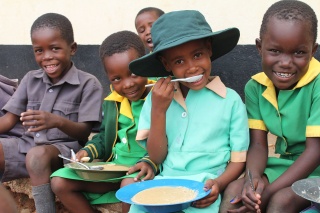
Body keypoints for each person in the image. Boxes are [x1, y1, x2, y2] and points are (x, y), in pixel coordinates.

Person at [128, 10, 249, 212]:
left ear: (209, 50)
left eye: (197, 55)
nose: (192, 68)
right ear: (166, 65)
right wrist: (158, 110)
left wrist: (219, 184)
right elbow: (156, 157)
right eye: (179, 61)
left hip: (205, 190)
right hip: (164, 186)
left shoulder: (231, 101)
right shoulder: (156, 99)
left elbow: (239, 161)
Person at [219, 1, 320, 213]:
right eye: (274, 50)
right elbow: (258, 145)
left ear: (313, 51)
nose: (285, 62)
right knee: (234, 194)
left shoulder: (318, 85)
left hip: (316, 168)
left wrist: (268, 192)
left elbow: (315, 151)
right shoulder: (255, 87)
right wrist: (251, 180)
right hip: (285, 164)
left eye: (299, 53)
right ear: (259, 47)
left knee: (280, 202)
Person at [0, 13, 103, 213]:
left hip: (63, 152)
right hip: (25, 146)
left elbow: (84, 133)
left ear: (72, 48)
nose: (47, 57)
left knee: (37, 156)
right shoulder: (31, 79)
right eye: (39, 51)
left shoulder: (88, 83)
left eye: (55, 48)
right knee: (31, 153)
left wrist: (56, 121)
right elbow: (8, 120)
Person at [51, 30, 157, 213]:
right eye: (117, 79)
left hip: (146, 169)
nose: (127, 84)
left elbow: (170, 137)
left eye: (133, 74)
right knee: (59, 182)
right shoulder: (112, 101)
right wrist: (86, 152)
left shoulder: (159, 96)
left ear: (145, 64)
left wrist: (150, 161)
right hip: (113, 170)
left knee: (128, 186)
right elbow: (104, 135)